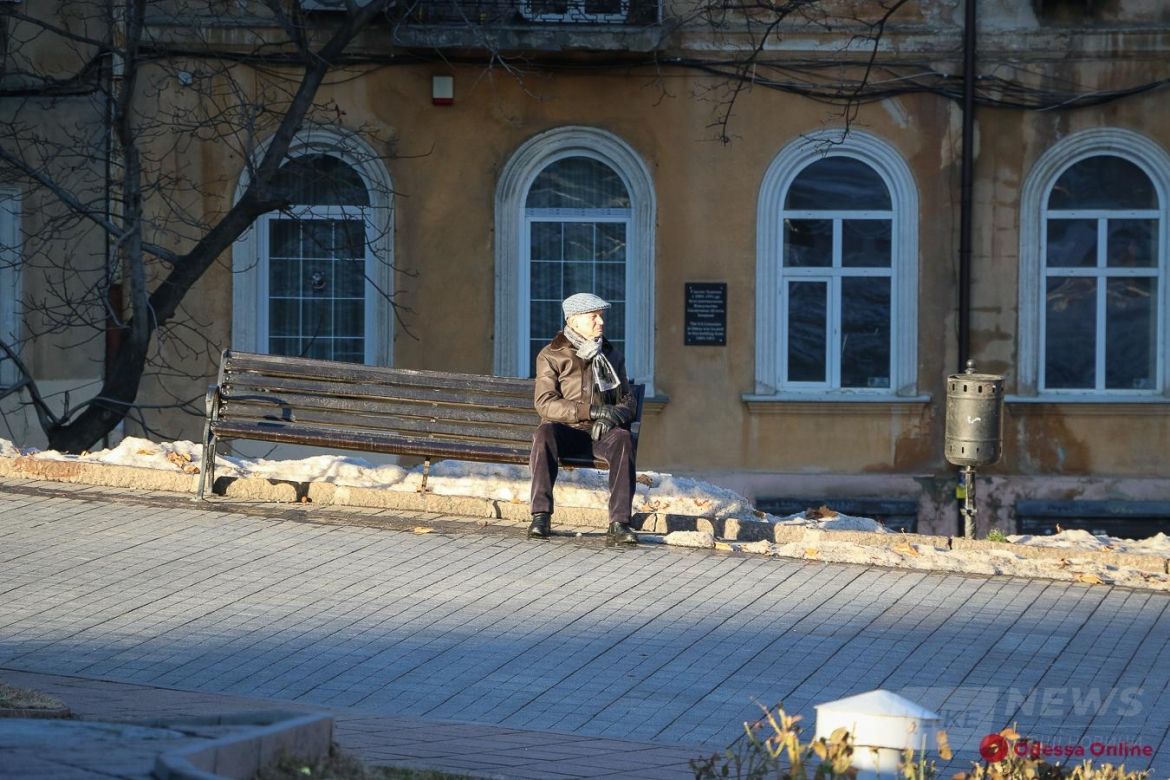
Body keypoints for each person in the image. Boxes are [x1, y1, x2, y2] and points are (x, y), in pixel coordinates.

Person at [529, 292, 639, 545]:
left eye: (601, 316)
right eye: (594, 317)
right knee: (543, 434)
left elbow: (628, 401)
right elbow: (545, 403)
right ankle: (540, 517)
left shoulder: (612, 355)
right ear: (574, 320)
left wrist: (610, 418)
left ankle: (620, 523)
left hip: (601, 434)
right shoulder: (552, 355)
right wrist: (590, 411)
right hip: (565, 430)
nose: (601, 322)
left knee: (623, 438)